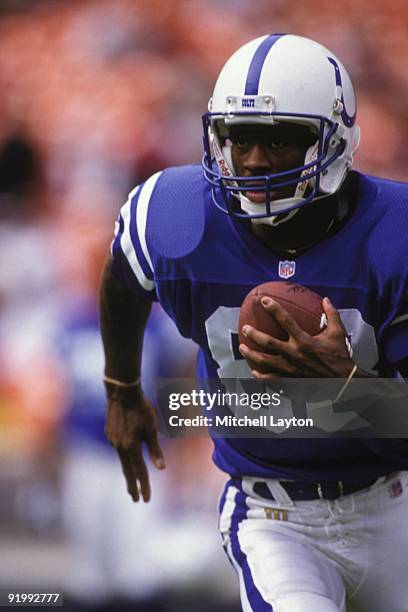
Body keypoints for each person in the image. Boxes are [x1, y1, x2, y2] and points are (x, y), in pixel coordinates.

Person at [99, 34, 408, 612]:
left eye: (280, 140)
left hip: (394, 500)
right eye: (240, 138)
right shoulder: (176, 216)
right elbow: (123, 277)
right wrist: (121, 387)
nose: (255, 160)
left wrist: (348, 386)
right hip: (272, 517)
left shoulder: (396, 237)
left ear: (335, 138)